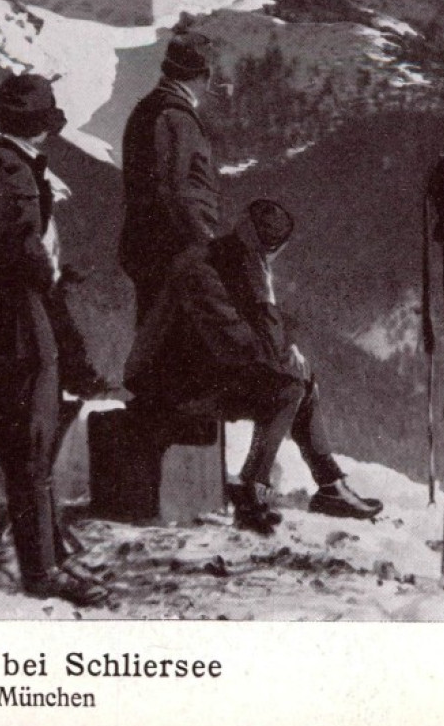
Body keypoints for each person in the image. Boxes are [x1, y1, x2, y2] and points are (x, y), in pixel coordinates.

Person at [125, 198, 382, 533]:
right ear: (271, 247)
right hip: (165, 384)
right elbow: (234, 340)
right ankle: (253, 492)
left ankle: (328, 485)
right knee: (289, 387)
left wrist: (286, 349)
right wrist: (278, 345)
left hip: (191, 373)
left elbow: (253, 332)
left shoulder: (226, 258)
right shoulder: (210, 268)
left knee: (299, 381)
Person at [0, 73, 107, 605]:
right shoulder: (14, 174)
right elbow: (27, 257)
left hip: (12, 321)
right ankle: (42, 571)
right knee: (31, 450)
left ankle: (49, 553)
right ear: (40, 129)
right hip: (24, 326)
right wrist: (54, 293)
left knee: (30, 447)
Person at [120, 15, 225, 321]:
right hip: (175, 250)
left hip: (147, 245)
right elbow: (177, 191)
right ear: (203, 75)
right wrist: (206, 243)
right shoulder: (178, 117)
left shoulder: (145, 109)